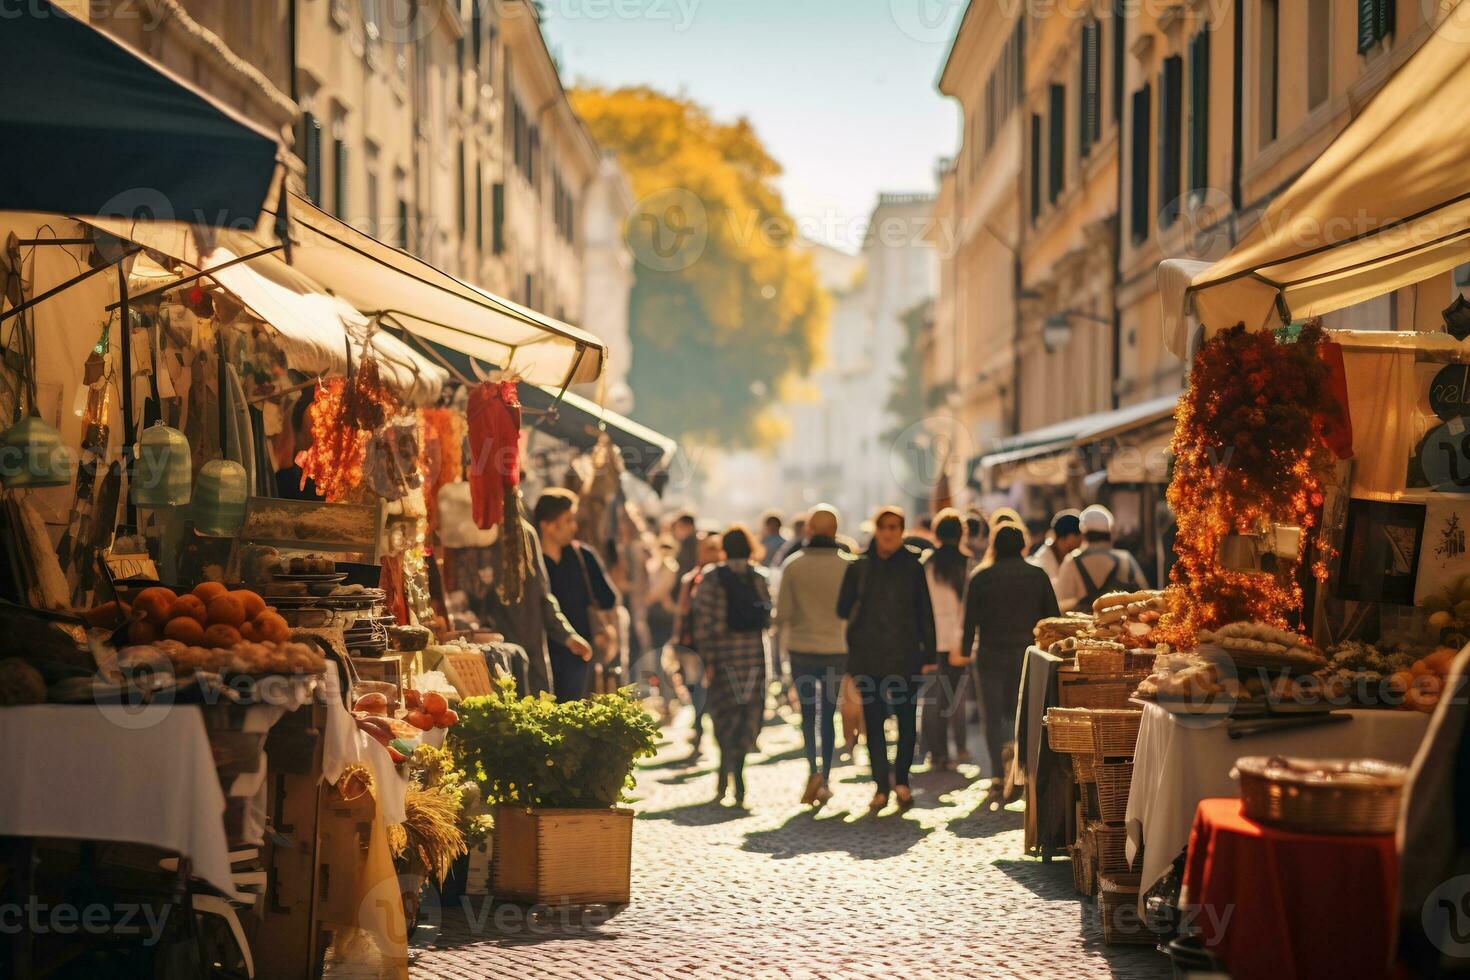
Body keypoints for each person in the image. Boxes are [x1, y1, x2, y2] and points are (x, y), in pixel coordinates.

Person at [837, 506, 937, 813]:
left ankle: (903, 781)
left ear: (902, 530)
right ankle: (881, 785)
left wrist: (929, 655)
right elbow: (842, 608)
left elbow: (925, 614)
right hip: (868, 657)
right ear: (877, 530)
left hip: (906, 656)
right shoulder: (859, 567)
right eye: (885, 527)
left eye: (895, 527)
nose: (890, 533)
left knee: (907, 722)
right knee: (875, 724)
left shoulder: (913, 566)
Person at [960, 524, 1060, 800]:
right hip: (1028, 654)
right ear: (1023, 546)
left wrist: (964, 652)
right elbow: (1053, 617)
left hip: (990, 652)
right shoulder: (1037, 576)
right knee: (1026, 712)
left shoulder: (981, 576)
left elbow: (969, 622)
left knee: (992, 716)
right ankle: (1023, 771)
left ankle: (996, 773)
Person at [774, 503, 849, 807]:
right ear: (835, 531)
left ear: (809, 530)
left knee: (807, 715)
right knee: (829, 716)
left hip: (802, 649)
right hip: (836, 649)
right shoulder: (848, 565)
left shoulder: (793, 565)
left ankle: (812, 770)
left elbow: (784, 614)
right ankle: (827, 778)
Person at [692, 525, 772, 806]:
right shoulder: (759, 577)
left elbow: (703, 622)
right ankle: (738, 775)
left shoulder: (712, 579)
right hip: (753, 659)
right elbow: (768, 618)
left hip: (723, 658)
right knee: (747, 715)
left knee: (723, 715)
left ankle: (723, 771)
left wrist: (708, 659)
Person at [535, 489, 620, 701]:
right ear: (547, 525)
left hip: (580, 651)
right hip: (543, 652)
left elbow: (607, 598)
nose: (574, 526)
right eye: (568, 520)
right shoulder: (531, 562)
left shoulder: (583, 556)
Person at [921, 510, 973, 771]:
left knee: (934, 699)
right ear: (961, 533)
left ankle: (937, 752)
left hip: (932, 640)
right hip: (960, 639)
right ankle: (960, 747)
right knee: (956, 698)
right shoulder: (967, 564)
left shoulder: (927, 564)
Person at [668, 532, 724, 754]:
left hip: (709, 642)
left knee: (707, 688)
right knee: (695, 688)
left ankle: (705, 728)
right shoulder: (690, 579)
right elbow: (682, 613)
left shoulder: (718, 578)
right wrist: (676, 641)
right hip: (691, 643)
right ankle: (700, 726)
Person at [1053, 504, 1148, 612]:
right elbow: (1145, 597)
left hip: (1083, 629)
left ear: (1083, 533)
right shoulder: (1125, 559)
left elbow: (1059, 607)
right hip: (1121, 627)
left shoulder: (1071, 562)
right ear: (1110, 532)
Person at [1029, 510, 1082, 584]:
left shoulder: (1062, 556)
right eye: (1078, 539)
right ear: (1068, 538)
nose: (1080, 544)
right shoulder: (1041, 564)